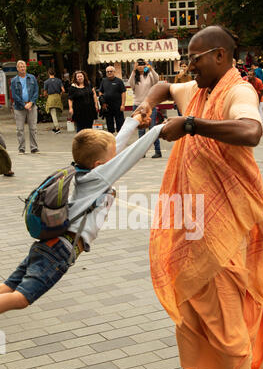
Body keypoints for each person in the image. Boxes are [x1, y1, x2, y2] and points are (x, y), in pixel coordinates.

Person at [134, 25, 263, 369]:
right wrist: (147, 104)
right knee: (189, 321)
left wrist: (193, 125)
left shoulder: (239, 92)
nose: (187, 66)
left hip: (227, 238)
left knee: (231, 327)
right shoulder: (196, 88)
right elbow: (162, 85)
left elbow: (251, 132)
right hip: (190, 233)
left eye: (193, 59)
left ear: (219, 56)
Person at [0, 111, 164, 314]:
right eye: (112, 159)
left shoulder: (86, 172)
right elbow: (130, 155)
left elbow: (115, 146)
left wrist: (134, 121)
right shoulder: (98, 178)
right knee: (21, 298)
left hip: (48, 245)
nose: (116, 159)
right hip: (58, 252)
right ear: (100, 165)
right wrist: (159, 130)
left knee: (9, 287)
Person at [129, 59, 162, 158]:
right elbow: (131, 84)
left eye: (143, 65)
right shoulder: (135, 76)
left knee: (152, 129)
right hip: (138, 105)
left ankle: (158, 151)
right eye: (139, 65)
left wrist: (151, 69)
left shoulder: (149, 75)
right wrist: (133, 71)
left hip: (150, 105)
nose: (141, 67)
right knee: (141, 130)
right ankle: (141, 152)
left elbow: (157, 80)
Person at [10, 60, 39, 154]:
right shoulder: (14, 80)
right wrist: (24, 104)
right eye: (20, 67)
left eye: (23, 66)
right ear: (17, 68)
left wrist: (31, 102)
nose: (22, 68)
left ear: (26, 67)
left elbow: (36, 91)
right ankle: (21, 148)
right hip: (19, 107)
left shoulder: (32, 78)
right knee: (20, 129)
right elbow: (14, 95)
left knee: (33, 128)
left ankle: (34, 148)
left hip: (32, 106)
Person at [98, 66, 126, 134]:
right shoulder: (103, 80)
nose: (109, 73)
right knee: (109, 123)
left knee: (120, 123)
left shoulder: (119, 81)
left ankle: (120, 139)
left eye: (111, 71)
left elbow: (123, 93)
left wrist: (122, 105)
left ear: (114, 72)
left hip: (118, 106)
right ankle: (111, 138)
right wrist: (102, 101)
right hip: (107, 106)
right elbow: (100, 91)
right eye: (108, 71)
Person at [44, 68, 64, 134]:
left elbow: (45, 92)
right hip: (58, 96)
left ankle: (57, 127)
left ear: (48, 73)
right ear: (54, 73)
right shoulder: (59, 80)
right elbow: (63, 90)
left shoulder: (46, 82)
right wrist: (60, 94)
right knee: (57, 112)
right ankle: (55, 127)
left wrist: (46, 96)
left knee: (53, 113)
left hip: (51, 97)